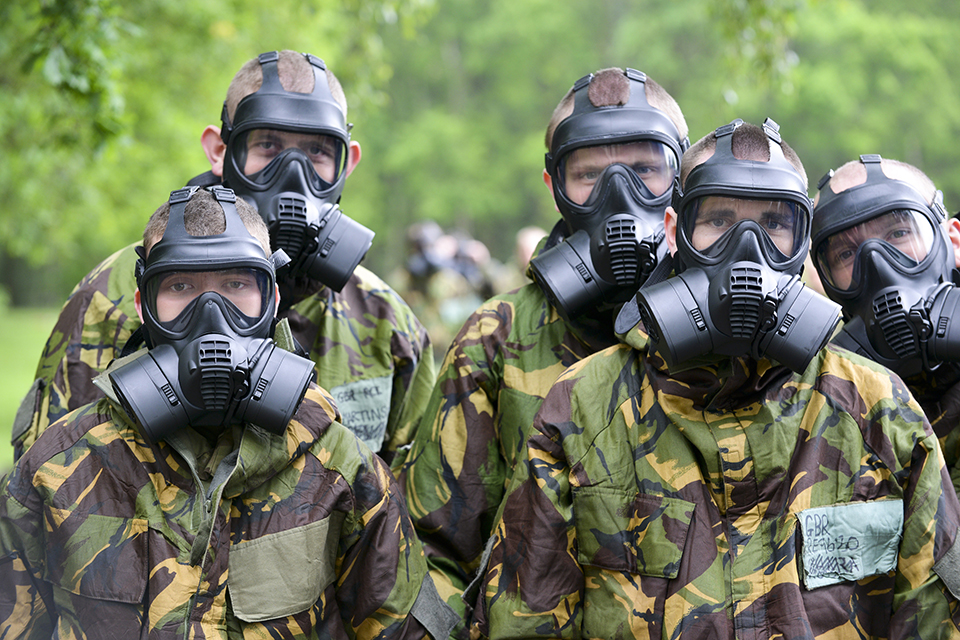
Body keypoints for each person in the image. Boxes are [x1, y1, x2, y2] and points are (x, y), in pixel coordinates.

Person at [474, 120, 960, 638]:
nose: (745, 250)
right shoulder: (584, 406)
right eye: (718, 220)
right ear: (672, 230)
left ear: (802, 244)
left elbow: (936, 619)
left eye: (774, 224)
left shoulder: (878, 410)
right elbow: (524, 620)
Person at [0, 186, 456, 639]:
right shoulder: (58, 467)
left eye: (237, 284)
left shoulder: (343, 469)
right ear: (143, 306)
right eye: (180, 286)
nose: (210, 315)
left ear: (272, 300)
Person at [13, 50, 435, 464]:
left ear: (346, 164)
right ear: (219, 151)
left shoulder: (385, 323)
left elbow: (413, 513)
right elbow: (44, 479)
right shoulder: (113, 293)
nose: (292, 175)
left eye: (317, 153)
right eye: (267, 147)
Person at [395, 67, 690, 634]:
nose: (618, 195)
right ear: (555, 187)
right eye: (589, 175)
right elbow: (430, 545)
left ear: (680, 181)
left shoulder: (718, 340)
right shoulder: (499, 337)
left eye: (646, 170)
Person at [810, 154, 960, 494]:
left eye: (899, 232)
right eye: (846, 255)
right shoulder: (820, 406)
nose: (877, 266)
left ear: (953, 240)